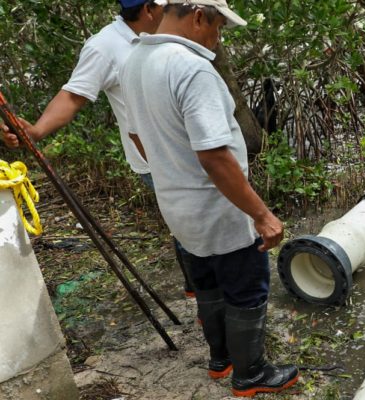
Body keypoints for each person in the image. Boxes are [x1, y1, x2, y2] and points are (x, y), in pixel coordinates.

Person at [119, 0, 299, 396]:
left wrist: (172, 170)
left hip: (176, 206)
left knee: (206, 282)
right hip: (219, 210)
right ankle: (250, 373)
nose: (218, 38)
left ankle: (221, 359)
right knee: (246, 289)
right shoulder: (192, 68)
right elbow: (215, 155)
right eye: (218, 26)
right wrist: (262, 214)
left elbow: (136, 135)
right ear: (198, 15)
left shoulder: (134, 62)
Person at [1, 0, 196, 298]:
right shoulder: (105, 46)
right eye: (164, 5)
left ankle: (204, 288)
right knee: (189, 222)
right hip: (155, 158)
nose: (171, 9)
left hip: (190, 146)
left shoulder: (165, 32)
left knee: (195, 218)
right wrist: (37, 130)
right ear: (147, 9)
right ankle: (205, 295)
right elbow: (73, 96)